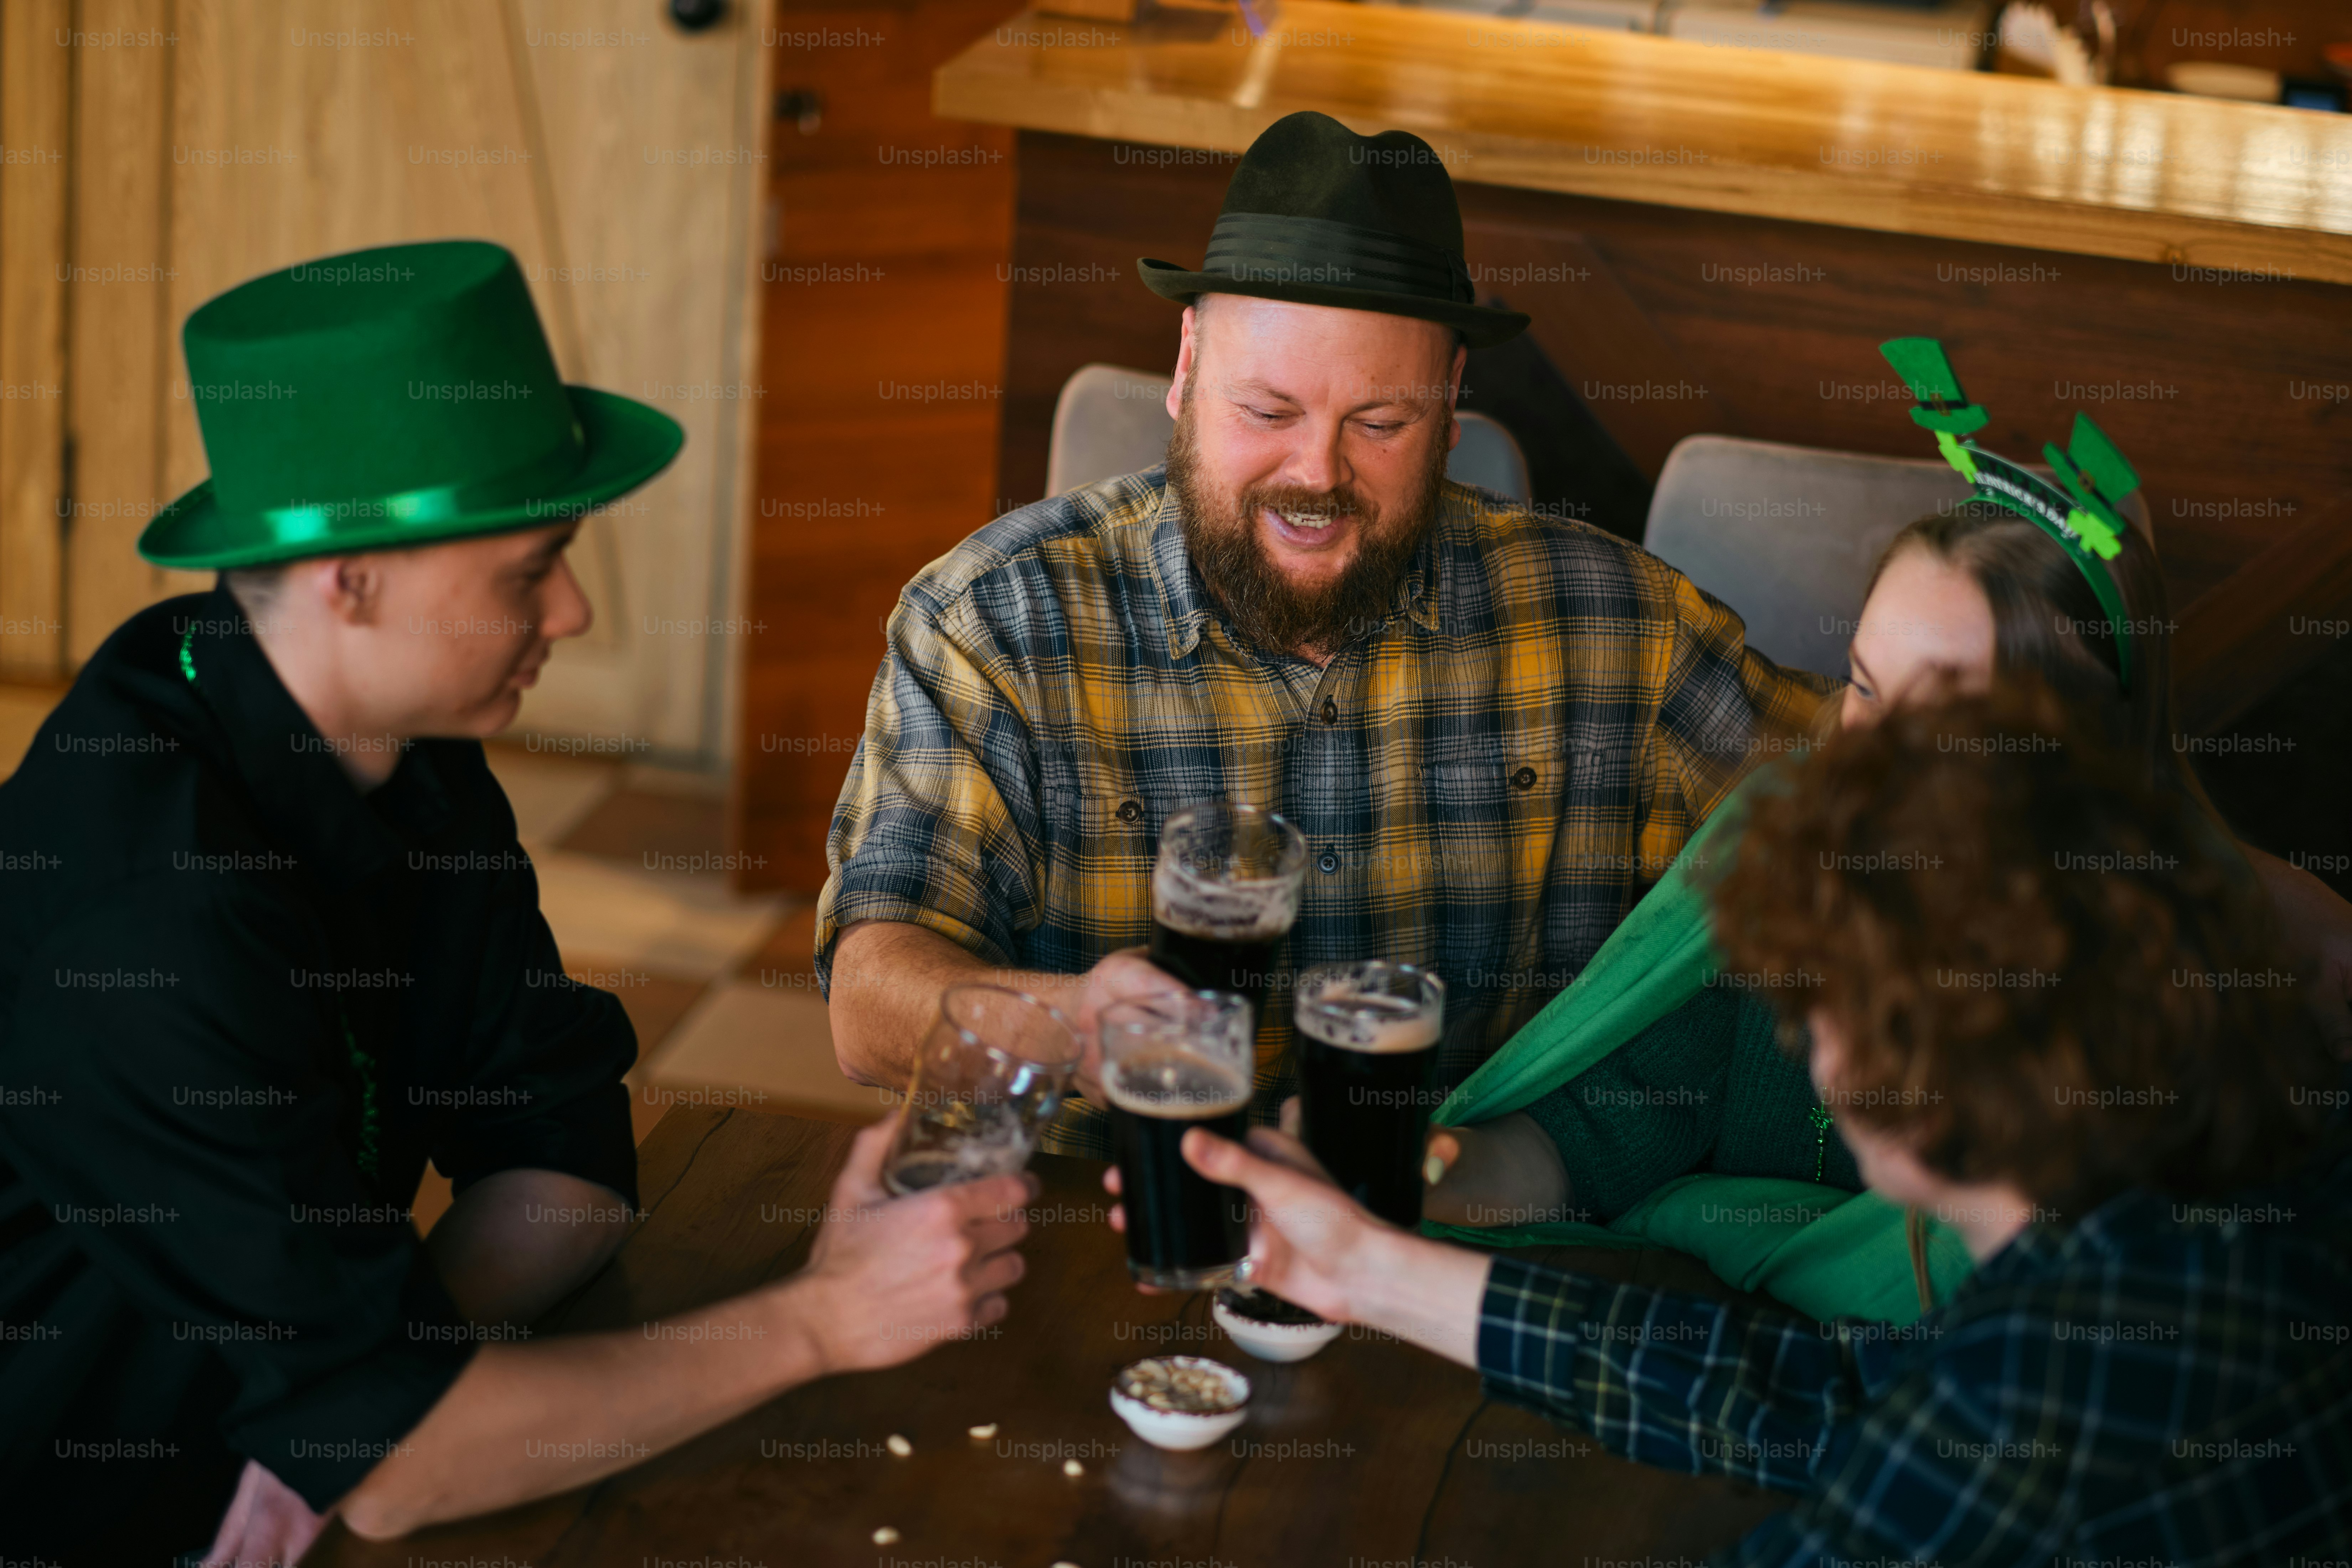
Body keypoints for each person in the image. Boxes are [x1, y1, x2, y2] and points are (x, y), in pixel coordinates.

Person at [0, 241, 1031, 1563]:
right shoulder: (153, 921)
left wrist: (355, 1406)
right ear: (350, 578)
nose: (578, 609)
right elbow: (405, 1470)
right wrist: (825, 1317)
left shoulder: (399, 749)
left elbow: (567, 1155)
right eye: (526, 570)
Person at [1118, 684, 2352, 1564]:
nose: (1801, 1042)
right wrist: (1369, 1269)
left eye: (1812, 1000)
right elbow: (1808, 1399)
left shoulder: (2037, 1397)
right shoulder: (2203, 1219)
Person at [817, 109, 1838, 1158]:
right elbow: (870, 1001)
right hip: (1111, 1221)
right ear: (1185, 371)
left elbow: (1876, 816)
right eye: (1268, 411)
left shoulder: (1622, 629)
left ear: (1448, 408)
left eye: (1380, 424)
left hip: (1456, 1241)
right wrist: (1080, 1022)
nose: (1317, 474)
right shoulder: (996, 622)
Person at [1418, 347, 2352, 1321]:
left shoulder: (2161, 1036)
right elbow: (1613, 1128)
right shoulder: (1793, 860)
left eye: (1945, 725)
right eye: (1864, 687)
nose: (1875, 760)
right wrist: (1419, 1177)